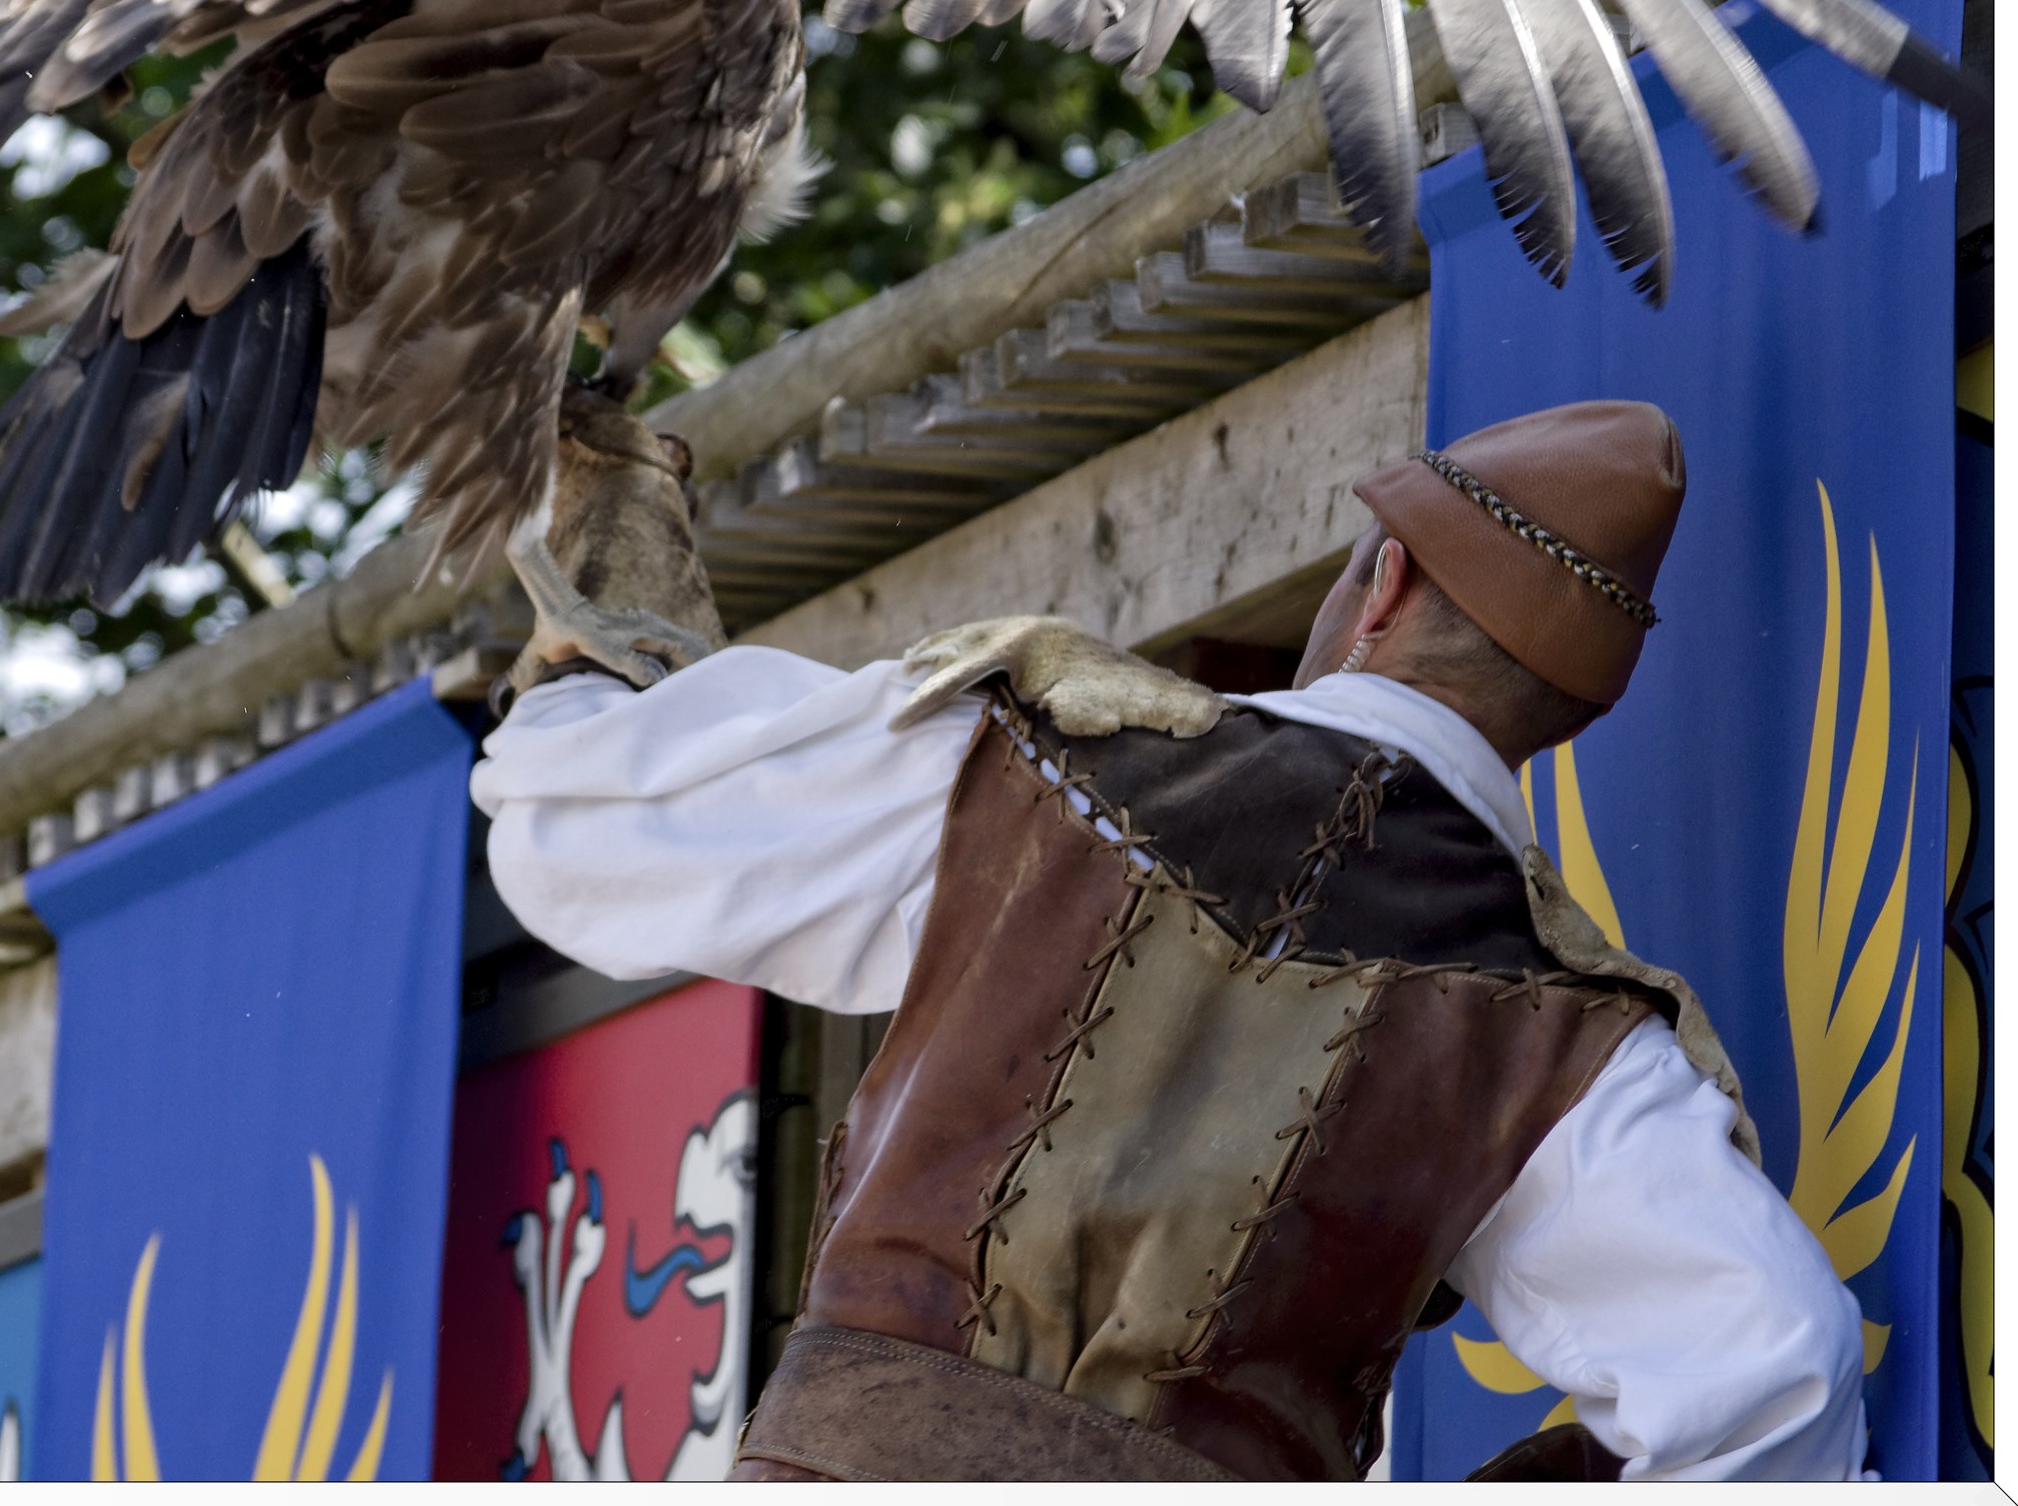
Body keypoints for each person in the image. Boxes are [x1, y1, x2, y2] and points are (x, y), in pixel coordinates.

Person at [472, 396, 1866, 1482]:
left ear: (1381, 586)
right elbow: (1778, 1383)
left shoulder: (1030, 759)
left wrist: (598, 650)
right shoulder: (1568, 1038)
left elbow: (567, 829)